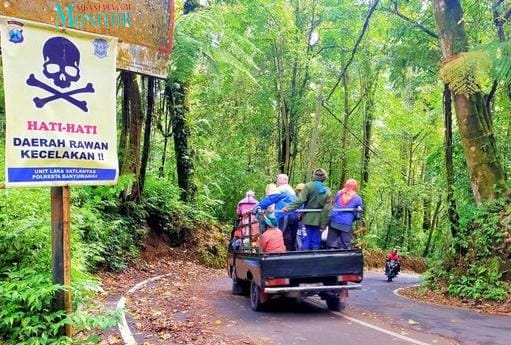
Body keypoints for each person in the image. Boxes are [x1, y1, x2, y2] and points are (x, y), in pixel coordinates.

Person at [282, 168, 332, 250]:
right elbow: (327, 209)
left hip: (308, 217)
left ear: (314, 176)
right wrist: (324, 224)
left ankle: (304, 256)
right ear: (324, 178)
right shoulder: (327, 191)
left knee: (306, 238)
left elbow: (300, 200)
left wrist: (288, 208)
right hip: (319, 218)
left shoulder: (308, 186)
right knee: (316, 239)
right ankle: (315, 257)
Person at [255, 176, 299, 251]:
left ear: (282, 180)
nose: (276, 182)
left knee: (283, 235)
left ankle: (285, 254)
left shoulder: (281, 189)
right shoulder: (292, 191)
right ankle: (292, 253)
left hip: (284, 215)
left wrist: (257, 207)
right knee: (292, 236)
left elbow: (270, 199)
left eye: (277, 180)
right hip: (294, 214)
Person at [327, 179, 363, 249]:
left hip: (334, 219)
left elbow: (335, 203)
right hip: (346, 223)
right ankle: (344, 255)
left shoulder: (339, 193)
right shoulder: (357, 198)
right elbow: (359, 212)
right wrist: (352, 218)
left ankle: (331, 253)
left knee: (332, 242)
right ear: (355, 187)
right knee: (345, 243)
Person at [294, 183, 306, 250]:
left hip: (303, 220)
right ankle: (299, 249)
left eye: (301, 190)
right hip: (298, 220)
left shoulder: (305, 200)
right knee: (298, 235)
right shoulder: (295, 199)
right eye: (299, 190)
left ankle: (301, 249)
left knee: (302, 235)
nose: (300, 192)